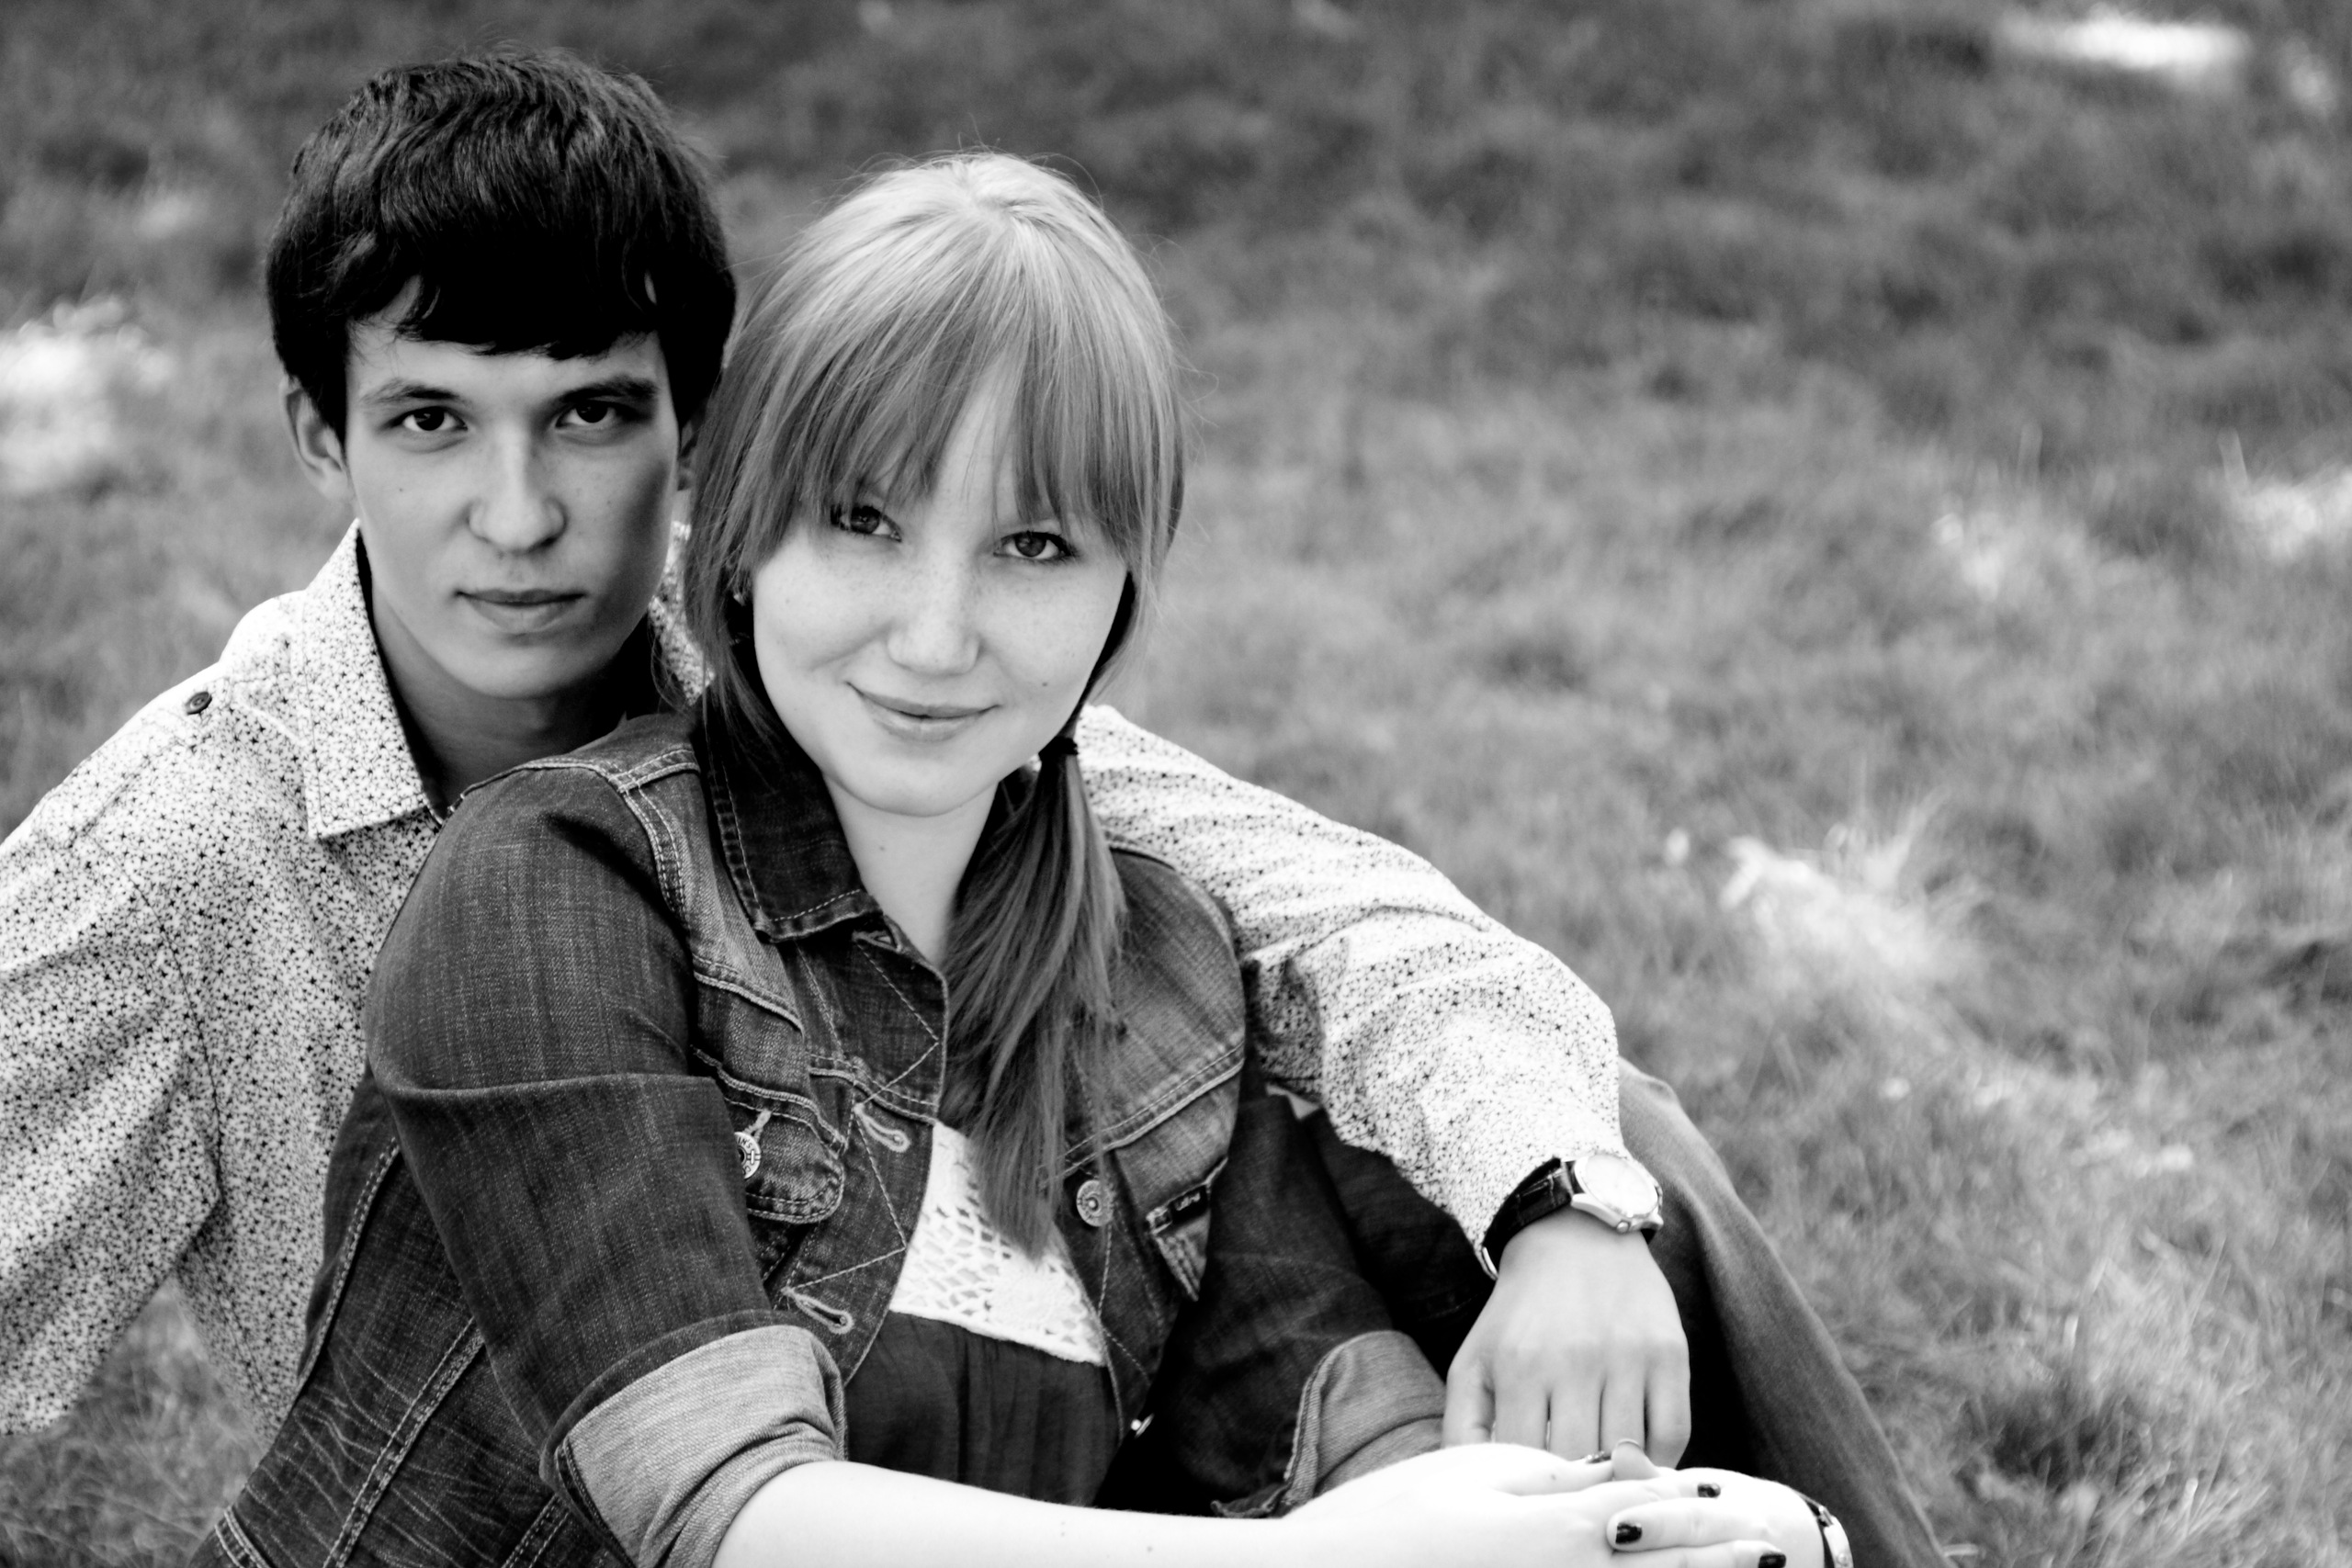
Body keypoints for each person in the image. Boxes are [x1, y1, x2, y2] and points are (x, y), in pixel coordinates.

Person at [0, 52, 1938, 1567]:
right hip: (578, 1482)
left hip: (943, 1443)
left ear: (704, 447)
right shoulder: (204, 842)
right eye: (431, 419)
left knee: (1581, 1136)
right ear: (322, 434)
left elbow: (1353, 927)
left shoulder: (873, 704)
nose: (521, 518)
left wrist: (1564, 1211)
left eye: (592, 412)